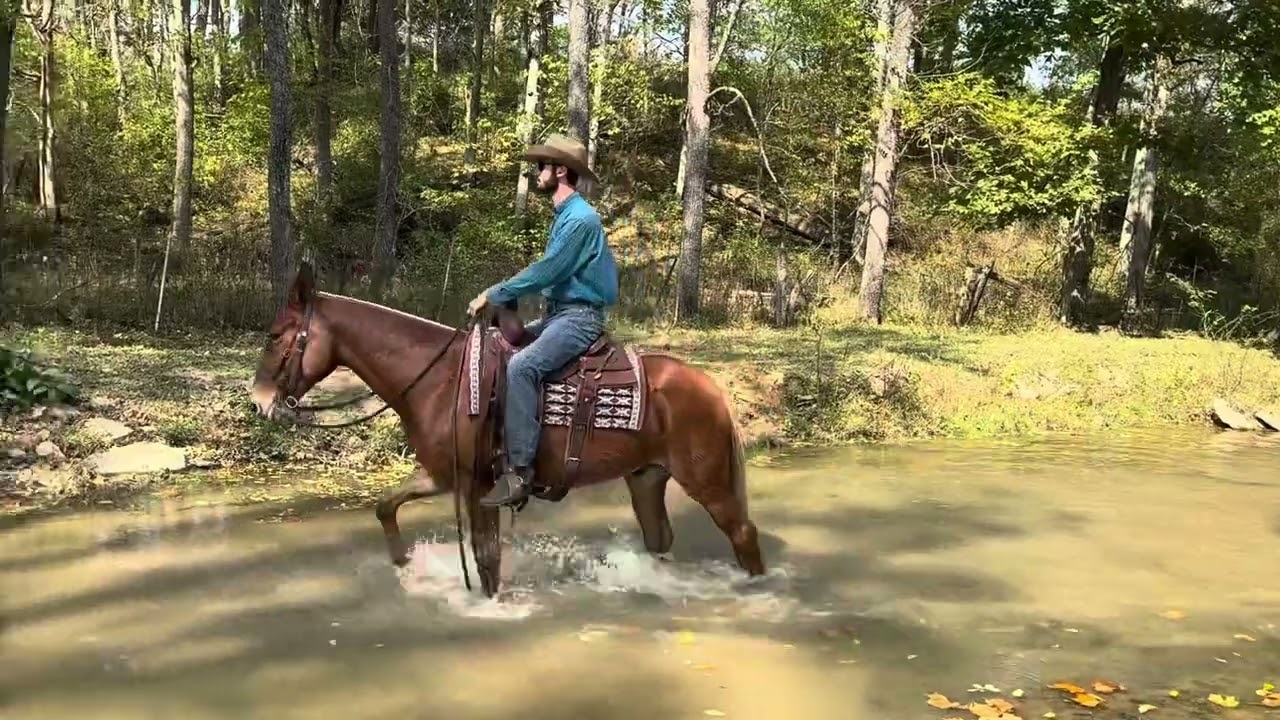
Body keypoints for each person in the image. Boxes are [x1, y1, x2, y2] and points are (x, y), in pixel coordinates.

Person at [467, 134, 619, 508]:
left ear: (560, 171)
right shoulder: (565, 216)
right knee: (496, 348)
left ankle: (521, 472)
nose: (536, 173)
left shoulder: (581, 219)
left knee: (521, 367)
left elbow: (550, 270)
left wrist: (496, 293)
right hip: (558, 316)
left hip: (579, 319)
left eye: (541, 167)